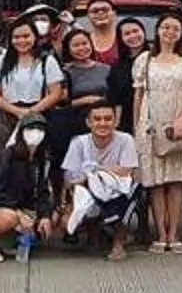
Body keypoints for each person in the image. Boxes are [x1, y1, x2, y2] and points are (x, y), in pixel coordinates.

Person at [131, 13, 182, 253]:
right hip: (151, 125)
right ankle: (160, 234)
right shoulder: (144, 59)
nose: (170, 32)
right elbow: (138, 95)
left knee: (176, 181)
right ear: (157, 30)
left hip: (180, 122)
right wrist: (136, 127)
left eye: (175, 28)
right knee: (155, 183)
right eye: (165, 27)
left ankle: (174, 234)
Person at [60, 99, 143, 258]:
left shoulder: (126, 140)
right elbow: (69, 178)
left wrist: (96, 171)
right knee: (67, 221)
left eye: (108, 119)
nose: (103, 123)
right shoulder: (79, 143)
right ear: (88, 123)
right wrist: (66, 205)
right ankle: (94, 236)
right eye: (97, 119)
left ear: (115, 121)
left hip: (119, 190)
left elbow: (127, 171)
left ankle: (118, 243)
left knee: (124, 193)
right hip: (88, 190)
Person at [0, 121, 58, 263]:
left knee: (53, 217)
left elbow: (43, 192)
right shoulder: (6, 156)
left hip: (23, 207)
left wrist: (45, 215)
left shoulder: (41, 160)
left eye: (40, 129)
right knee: (9, 218)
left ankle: (9, 241)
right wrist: (18, 214)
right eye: (31, 128)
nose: (36, 132)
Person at [0, 18, 65, 144]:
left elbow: (56, 93)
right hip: (8, 116)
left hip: (38, 115)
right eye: (16, 37)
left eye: (26, 36)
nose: (21, 41)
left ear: (35, 37)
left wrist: (31, 112)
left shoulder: (47, 61)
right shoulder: (1, 61)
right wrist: (17, 111)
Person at [55, 27, 118, 172]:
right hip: (75, 124)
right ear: (68, 49)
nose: (81, 48)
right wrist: (86, 100)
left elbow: (114, 97)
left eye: (84, 43)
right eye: (76, 45)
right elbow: (60, 104)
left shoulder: (106, 69)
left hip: (103, 122)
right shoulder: (64, 72)